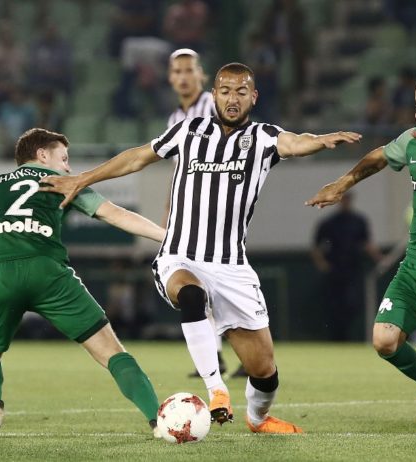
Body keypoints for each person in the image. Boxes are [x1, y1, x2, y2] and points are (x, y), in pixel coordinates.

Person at [41, 63, 362, 434]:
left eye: (241, 91)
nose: (232, 98)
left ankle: (258, 419)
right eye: (225, 91)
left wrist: (319, 140)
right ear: (214, 95)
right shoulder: (189, 130)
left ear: (254, 97)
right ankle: (216, 390)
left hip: (231, 266)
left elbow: (295, 141)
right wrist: (83, 178)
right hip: (179, 255)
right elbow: (138, 156)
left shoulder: (262, 137)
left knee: (264, 371)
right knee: (191, 295)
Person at [306, 70, 416, 436]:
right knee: (384, 341)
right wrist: (343, 183)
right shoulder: (411, 140)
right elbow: (378, 157)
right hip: (415, 267)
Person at [0, 128, 165, 438]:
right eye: (64, 158)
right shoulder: (63, 182)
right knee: (111, 351)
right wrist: (168, 237)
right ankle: (158, 421)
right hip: (47, 271)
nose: (68, 168)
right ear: (42, 155)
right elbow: (115, 215)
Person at [166, 48, 239, 378]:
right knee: (199, 283)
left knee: (228, 280)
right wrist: (171, 208)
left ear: (201, 74)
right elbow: (178, 169)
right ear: (170, 78)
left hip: (220, 205)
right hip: (191, 213)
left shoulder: (212, 106)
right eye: (177, 71)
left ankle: (251, 350)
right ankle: (216, 356)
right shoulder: (174, 119)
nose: (183, 77)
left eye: (188, 70)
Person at [311, 192, 382, 341]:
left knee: (352, 304)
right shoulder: (329, 223)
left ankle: (347, 336)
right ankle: (335, 338)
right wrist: (323, 265)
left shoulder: (359, 221)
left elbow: (367, 243)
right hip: (334, 271)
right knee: (333, 306)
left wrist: (379, 259)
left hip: (353, 270)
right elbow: (316, 247)